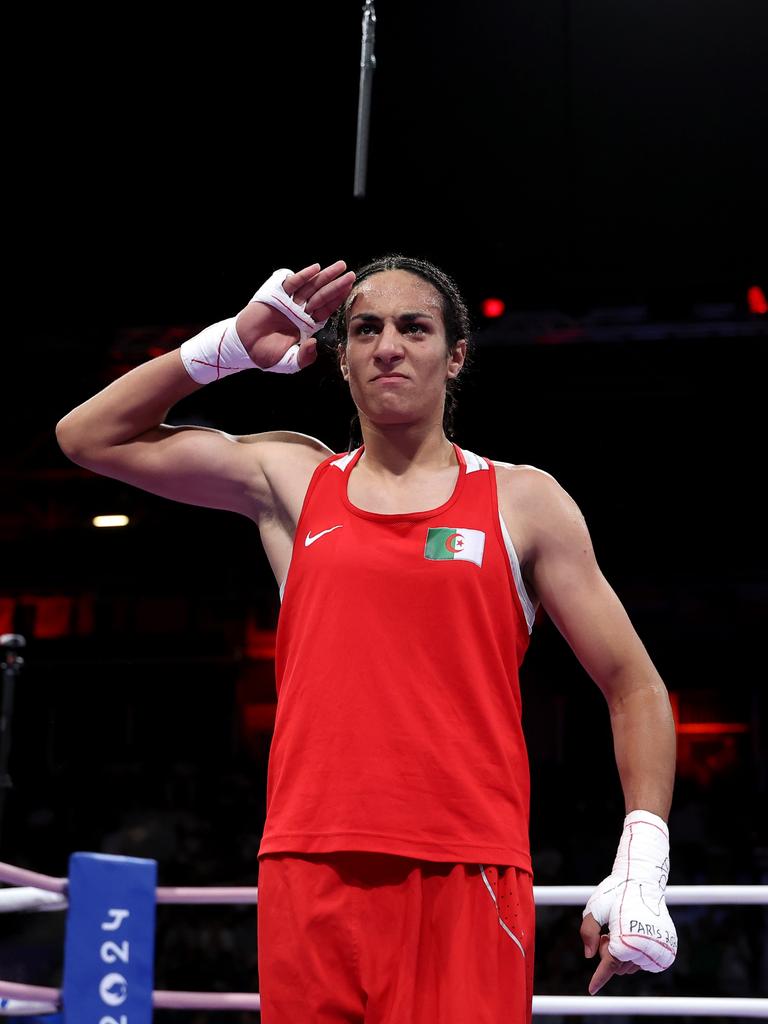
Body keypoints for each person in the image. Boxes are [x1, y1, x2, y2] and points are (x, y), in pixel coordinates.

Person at [56, 257, 678, 1023]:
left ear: (454, 357)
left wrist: (644, 859)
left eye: (414, 327)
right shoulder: (292, 480)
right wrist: (229, 348)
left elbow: (635, 685)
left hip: (467, 868)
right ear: (341, 357)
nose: (388, 346)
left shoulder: (523, 501)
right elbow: (86, 437)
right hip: (307, 866)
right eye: (365, 329)